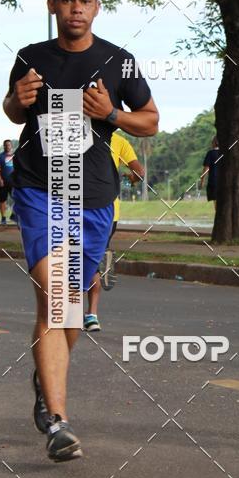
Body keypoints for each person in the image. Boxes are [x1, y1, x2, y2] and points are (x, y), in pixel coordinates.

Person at [3, 0, 158, 462]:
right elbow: (13, 110)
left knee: (70, 310)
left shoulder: (119, 60)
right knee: (57, 301)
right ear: (53, 6)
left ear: (96, 7)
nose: (75, 8)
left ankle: (43, 379)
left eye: (84, 1)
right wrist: (15, 100)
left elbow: (150, 122)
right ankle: (58, 421)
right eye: (67, 0)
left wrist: (111, 114)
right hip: (38, 190)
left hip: (92, 197)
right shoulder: (32, 57)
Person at [84, 131, 145, 331]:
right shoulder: (119, 140)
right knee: (91, 261)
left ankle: (80, 312)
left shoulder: (71, 134)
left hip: (73, 208)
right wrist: (126, 181)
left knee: (75, 258)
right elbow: (139, 173)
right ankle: (91, 315)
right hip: (108, 212)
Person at [0, 139, 14, 223]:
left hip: (13, 182)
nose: (7, 146)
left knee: (17, 199)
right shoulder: (0, 156)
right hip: (2, 182)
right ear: (4, 146)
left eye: (9, 145)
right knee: (2, 200)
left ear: (11, 146)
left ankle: (14, 215)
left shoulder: (15, 156)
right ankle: (3, 218)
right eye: (6, 145)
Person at [200, 136, 221, 209]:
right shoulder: (224, 153)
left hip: (214, 181)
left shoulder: (210, 153)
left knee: (216, 204)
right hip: (224, 182)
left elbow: (206, 168)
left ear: (213, 143)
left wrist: (202, 181)